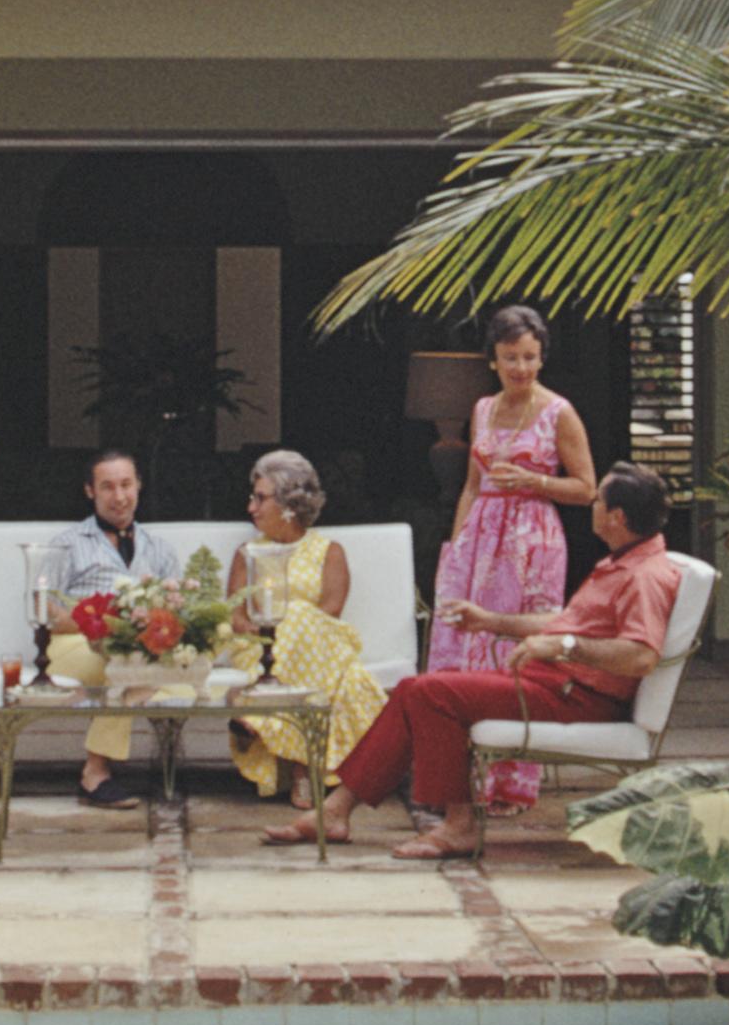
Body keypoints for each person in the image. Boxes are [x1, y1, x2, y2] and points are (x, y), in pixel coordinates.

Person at [306, 468, 676, 861]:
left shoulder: (645, 576)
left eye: (599, 499)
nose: (592, 504)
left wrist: (564, 646)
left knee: (432, 693)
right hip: (551, 683)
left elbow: (640, 656)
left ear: (617, 517)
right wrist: (490, 621)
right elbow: (564, 622)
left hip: (577, 697)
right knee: (423, 687)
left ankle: (458, 826)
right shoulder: (622, 562)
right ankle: (335, 810)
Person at [422, 302, 600, 819]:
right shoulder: (481, 408)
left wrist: (538, 482)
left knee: (514, 651)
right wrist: (457, 549)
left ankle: (512, 782)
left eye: (530, 357)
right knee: (465, 644)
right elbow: (472, 485)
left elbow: (587, 488)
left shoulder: (558, 411)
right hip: (480, 537)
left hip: (532, 542)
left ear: (542, 357)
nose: (521, 368)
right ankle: (457, 777)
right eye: (510, 358)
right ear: (492, 360)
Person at [226, 449, 387, 828]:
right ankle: (303, 769)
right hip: (260, 651)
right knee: (347, 679)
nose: (251, 507)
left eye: (260, 498)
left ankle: (268, 729)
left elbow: (330, 612)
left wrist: (288, 627)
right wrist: (263, 631)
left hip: (315, 645)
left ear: (289, 504)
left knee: (301, 616)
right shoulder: (247, 553)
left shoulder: (329, 552)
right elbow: (235, 613)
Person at [38, 448, 178, 808]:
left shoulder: (159, 548)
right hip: (73, 646)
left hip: (136, 649)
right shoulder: (67, 543)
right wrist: (95, 621)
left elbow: (177, 608)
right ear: (90, 492)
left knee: (133, 665)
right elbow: (42, 607)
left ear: (139, 486)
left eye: (126, 485)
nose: (119, 496)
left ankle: (95, 769)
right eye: (108, 487)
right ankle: (96, 771)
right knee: (130, 668)